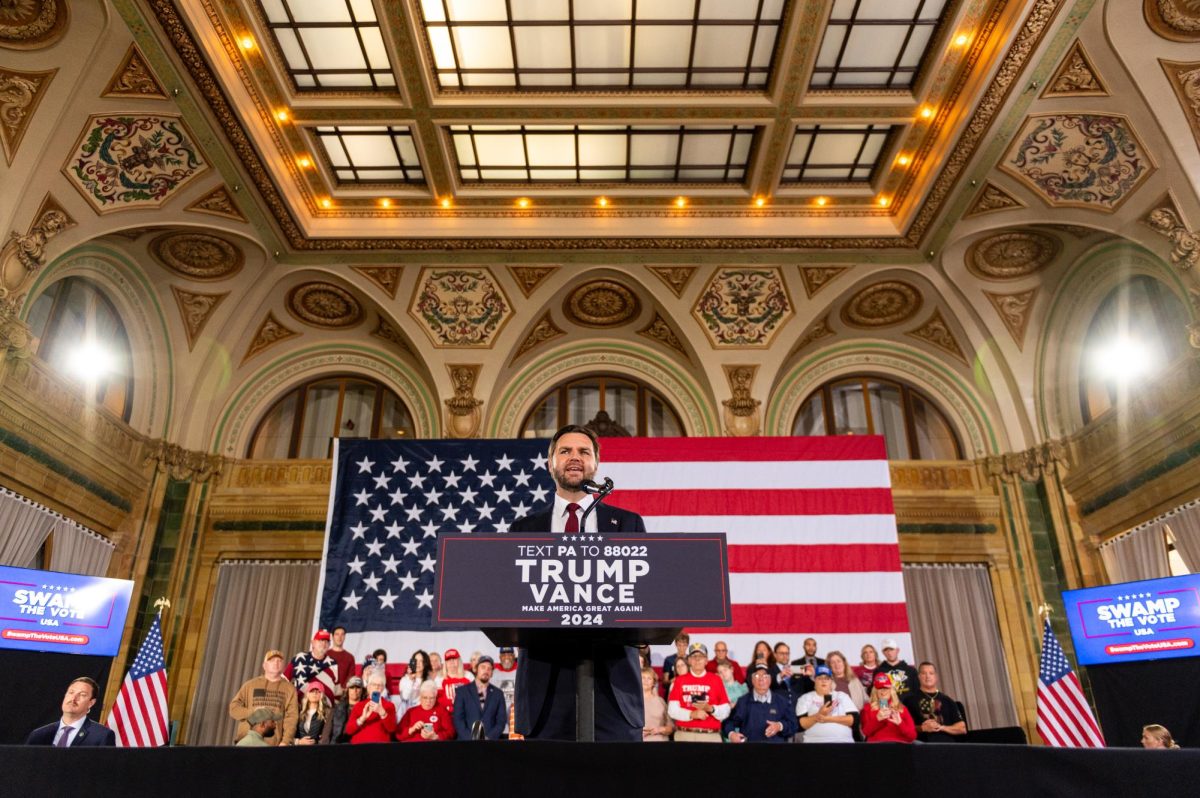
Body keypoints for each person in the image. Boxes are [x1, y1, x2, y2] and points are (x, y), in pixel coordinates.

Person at [510, 424, 647, 741]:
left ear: (596, 464)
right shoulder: (524, 528)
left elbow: (645, 596)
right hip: (545, 688)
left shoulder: (627, 524)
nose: (575, 457)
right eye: (565, 451)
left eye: (584, 451)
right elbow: (511, 600)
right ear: (550, 463)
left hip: (613, 686)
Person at [229, 649, 298, 746]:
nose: (276, 663)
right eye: (272, 661)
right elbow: (233, 708)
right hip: (246, 742)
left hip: (273, 744)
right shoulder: (250, 685)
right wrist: (253, 712)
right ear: (264, 665)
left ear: (283, 666)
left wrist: (286, 741)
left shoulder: (290, 689)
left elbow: (292, 717)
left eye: (279, 661)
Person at [25, 677, 116, 747]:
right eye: (71, 692)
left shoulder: (102, 736)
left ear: (91, 703)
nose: (73, 698)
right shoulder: (39, 735)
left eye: (82, 694)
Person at [667, 643, 731, 742]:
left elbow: (726, 709)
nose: (697, 659)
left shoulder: (716, 679)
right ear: (689, 660)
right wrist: (692, 714)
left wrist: (711, 708)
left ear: (706, 660)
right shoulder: (679, 680)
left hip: (710, 736)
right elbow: (672, 710)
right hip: (684, 735)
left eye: (701, 656)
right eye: (693, 656)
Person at [723, 663, 798, 744]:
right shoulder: (743, 702)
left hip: (776, 751)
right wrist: (732, 734)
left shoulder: (782, 701)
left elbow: (793, 725)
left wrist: (780, 726)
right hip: (749, 751)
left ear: (770, 679)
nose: (761, 679)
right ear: (752, 680)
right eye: (757, 676)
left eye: (765, 676)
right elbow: (728, 723)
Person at [902, 662, 966, 742]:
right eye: (924, 673)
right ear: (919, 677)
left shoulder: (947, 700)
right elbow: (902, 727)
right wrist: (922, 728)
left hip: (948, 746)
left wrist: (941, 727)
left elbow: (962, 728)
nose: (928, 676)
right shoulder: (909, 700)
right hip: (923, 746)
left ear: (936, 677)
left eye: (931, 673)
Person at [795, 665, 858, 744]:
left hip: (843, 742)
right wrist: (818, 715)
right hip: (814, 743)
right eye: (820, 678)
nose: (823, 681)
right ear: (814, 680)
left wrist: (827, 719)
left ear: (831, 681)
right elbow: (801, 724)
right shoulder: (805, 698)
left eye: (827, 678)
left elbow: (854, 720)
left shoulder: (842, 696)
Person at [453, 655, 507, 740]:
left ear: (492, 673)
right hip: (465, 744)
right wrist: (470, 739)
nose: (486, 671)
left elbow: (501, 722)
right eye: (483, 667)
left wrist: (488, 738)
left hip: (490, 745)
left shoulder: (498, 694)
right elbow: (458, 719)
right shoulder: (462, 692)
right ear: (476, 669)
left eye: (489, 669)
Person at [285, 629, 340, 701]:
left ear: (329, 645)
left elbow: (337, 690)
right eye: (320, 640)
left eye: (326, 641)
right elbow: (284, 679)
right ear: (313, 643)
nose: (324, 644)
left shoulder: (333, 663)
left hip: (323, 707)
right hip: (299, 705)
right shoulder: (300, 658)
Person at [861, 673, 916, 744]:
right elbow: (866, 732)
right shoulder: (868, 708)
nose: (883, 691)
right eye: (880, 688)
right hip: (877, 746)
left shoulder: (902, 708)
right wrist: (877, 720)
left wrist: (900, 723)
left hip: (899, 746)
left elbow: (912, 737)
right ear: (875, 691)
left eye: (885, 688)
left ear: (891, 690)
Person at [344, 672, 397, 744]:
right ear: (368, 687)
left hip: (380, 747)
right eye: (374, 684)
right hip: (359, 748)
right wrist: (362, 718)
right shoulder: (359, 706)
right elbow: (349, 730)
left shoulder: (389, 706)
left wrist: (383, 713)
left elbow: (392, 729)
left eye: (380, 685)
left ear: (383, 688)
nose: (377, 687)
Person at [641, 666, 673, 742]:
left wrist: (661, 729)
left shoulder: (660, 701)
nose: (646, 681)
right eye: (643, 678)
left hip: (659, 742)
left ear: (653, 683)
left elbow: (671, 727)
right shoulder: (630, 702)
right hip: (637, 743)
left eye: (649, 678)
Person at [437, 648, 473, 713]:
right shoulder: (440, 678)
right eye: (448, 660)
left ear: (459, 661)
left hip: (466, 713)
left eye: (454, 659)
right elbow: (437, 699)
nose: (451, 662)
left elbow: (474, 695)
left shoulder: (468, 675)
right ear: (445, 663)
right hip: (446, 714)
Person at [397, 649, 432, 717]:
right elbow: (405, 697)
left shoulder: (429, 681)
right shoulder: (405, 679)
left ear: (425, 663)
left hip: (423, 712)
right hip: (406, 712)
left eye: (421, 661)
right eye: (415, 660)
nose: (418, 663)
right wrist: (411, 680)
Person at [330, 676, 365, 743]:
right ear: (347, 690)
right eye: (352, 687)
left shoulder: (367, 708)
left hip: (360, 744)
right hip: (339, 744)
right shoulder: (336, 708)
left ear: (362, 690)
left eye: (357, 687)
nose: (355, 690)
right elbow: (327, 731)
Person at [327, 626, 356, 692]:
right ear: (332, 636)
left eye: (342, 634)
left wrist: (343, 689)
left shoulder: (350, 657)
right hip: (326, 692)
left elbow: (351, 677)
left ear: (345, 637)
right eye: (337, 634)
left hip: (342, 694)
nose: (340, 637)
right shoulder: (326, 655)